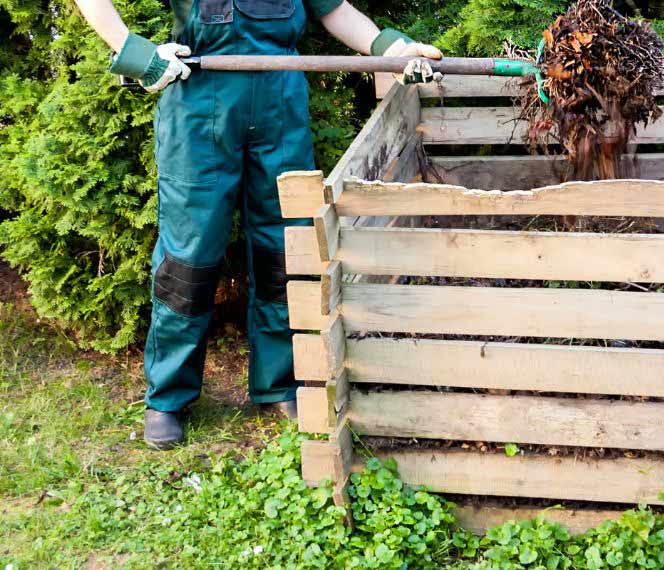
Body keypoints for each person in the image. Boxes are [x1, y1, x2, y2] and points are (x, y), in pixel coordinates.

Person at [74, 0, 443, 449]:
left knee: (283, 250)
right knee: (188, 258)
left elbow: (334, 10)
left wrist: (392, 48)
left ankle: (280, 383)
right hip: (198, 105)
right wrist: (135, 51)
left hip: (279, 104)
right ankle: (167, 397)